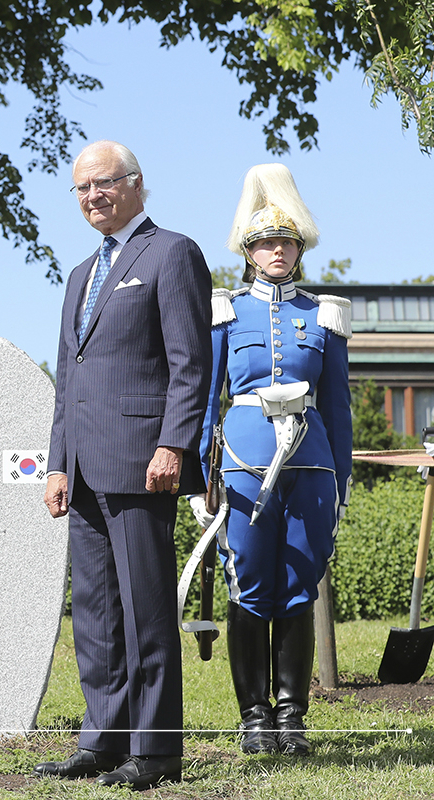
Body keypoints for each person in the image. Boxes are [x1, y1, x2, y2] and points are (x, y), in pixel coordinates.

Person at [37, 140, 211, 789]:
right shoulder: (80, 274)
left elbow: (191, 363)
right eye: (81, 188)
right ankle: (102, 741)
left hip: (143, 463)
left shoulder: (172, 253)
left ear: (136, 183)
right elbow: (65, 378)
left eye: (103, 184)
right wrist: (57, 463)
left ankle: (156, 750)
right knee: (95, 616)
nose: (92, 197)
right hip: (82, 468)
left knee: (145, 614)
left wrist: (174, 443)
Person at [192, 164, 351, 756]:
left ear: (299, 249)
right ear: (250, 253)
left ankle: (293, 718)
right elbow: (208, 400)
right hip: (242, 464)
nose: (275, 251)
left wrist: (344, 480)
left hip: (311, 467)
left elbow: (337, 405)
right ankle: (254, 717)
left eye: (285, 242)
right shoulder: (226, 311)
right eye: (264, 243)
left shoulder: (324, 315)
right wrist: (197, 479)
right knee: (251, 584)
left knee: (299, 584)